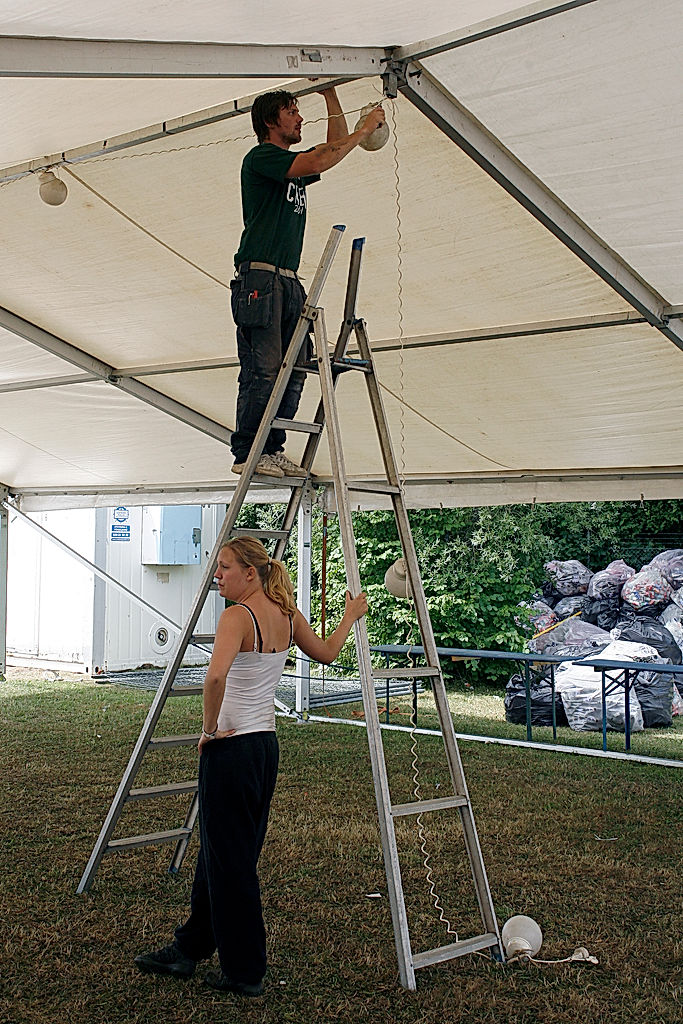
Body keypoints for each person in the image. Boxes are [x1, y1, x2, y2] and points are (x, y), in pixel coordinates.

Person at [134, 536, 368, 996]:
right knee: (220, 853)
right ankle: (190, 947)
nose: (217, 575)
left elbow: (215, 677)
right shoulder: (286, 613)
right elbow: (326, 653)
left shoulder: (237, 616)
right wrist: (349, 617)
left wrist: (208, 729)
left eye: (224, 567)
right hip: (263, 748)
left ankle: (245, 971)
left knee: (232, 861)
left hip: (231, 749)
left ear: (250, 573)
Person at [230, 87, 386, 479]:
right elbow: (322, 157)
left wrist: (330, 94)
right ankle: (249, 451)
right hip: (260, 277)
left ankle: (272, 448)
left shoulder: (289, 166)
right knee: (264, 369)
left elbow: (332, 149)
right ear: (271, 121)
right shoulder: (262, 157)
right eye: (291, 112)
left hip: (286, 279)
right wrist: (364, 130)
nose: (300, 119)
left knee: (296, 367)